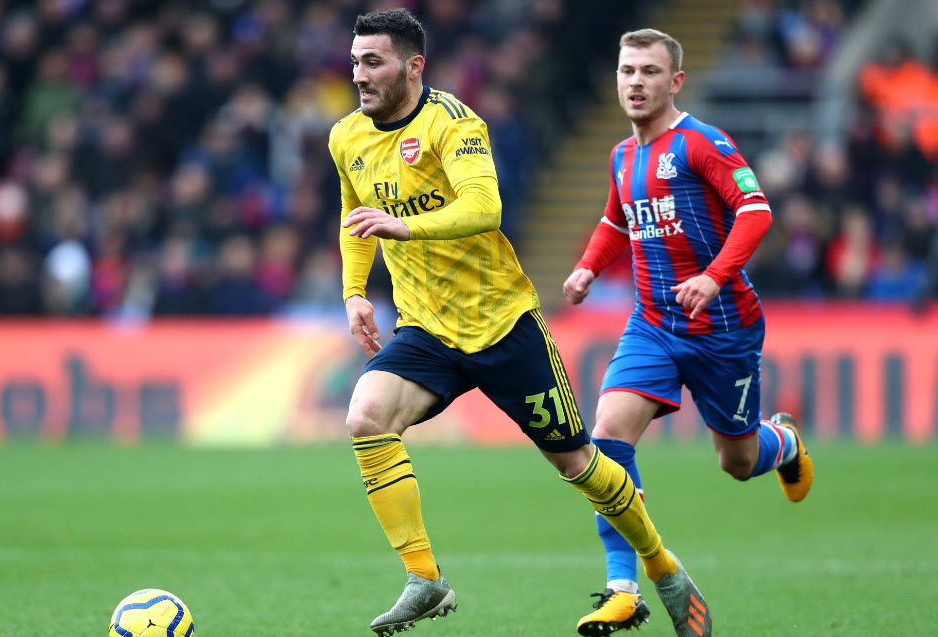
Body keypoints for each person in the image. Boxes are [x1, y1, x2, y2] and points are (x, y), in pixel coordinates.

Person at [330, 10, 711, 637]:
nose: (359, 75)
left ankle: (662, 565)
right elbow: (353, 213)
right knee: (366, 418)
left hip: (503, 324)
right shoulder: (346, 136)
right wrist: (353, 292)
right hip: (426, 330)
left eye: (373, 62)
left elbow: (485, 206)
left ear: (413, 66)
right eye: (354, 62)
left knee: (578, 464)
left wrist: (406, 225)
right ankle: (425, 579)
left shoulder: (453, 125)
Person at [563, 28, 814, 637]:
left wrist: (713, 276)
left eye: (649, 71)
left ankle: (783, 443)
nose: (635, 82)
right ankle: (623, 588)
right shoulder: (623, 154)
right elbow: (613, 219)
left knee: (738, 459)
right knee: (606, 434)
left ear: (675, 81)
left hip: (722, 329)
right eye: (627, 71)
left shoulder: (702, 143)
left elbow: (756, 212)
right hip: (651, 323)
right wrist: (588, 266)